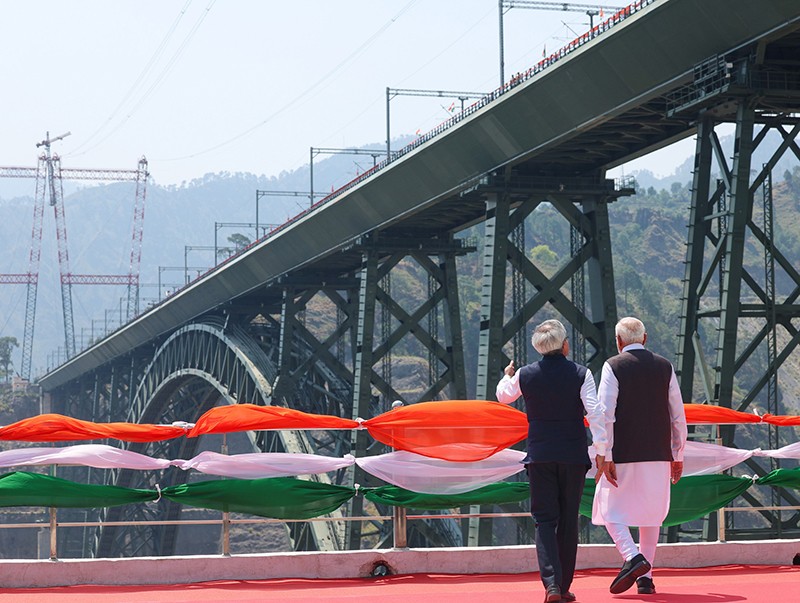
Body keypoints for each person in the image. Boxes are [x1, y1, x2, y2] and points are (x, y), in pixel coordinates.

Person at [496, 319, 608, 603]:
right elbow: (594, 412)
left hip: (540, 456)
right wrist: (602, 449)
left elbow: (503, 397)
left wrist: (507, 375)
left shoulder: (525, 374)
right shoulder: (581, 374)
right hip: (572, 455)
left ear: (539, 347)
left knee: (544, 520)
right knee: (569, 520)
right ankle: (564, 584)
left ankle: (551, 586)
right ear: (565, 345)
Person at [592, 317, 688, 595]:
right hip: (658, 453)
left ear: (619, 341)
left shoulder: (613, 366)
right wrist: (677, 454)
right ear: (645, 338)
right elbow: (677, 415)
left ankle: (632, 556)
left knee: (608, 508)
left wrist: (605, 454)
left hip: (622, 452)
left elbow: (605, 414)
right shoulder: (665, 366)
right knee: (651, 515)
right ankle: (646, 578)